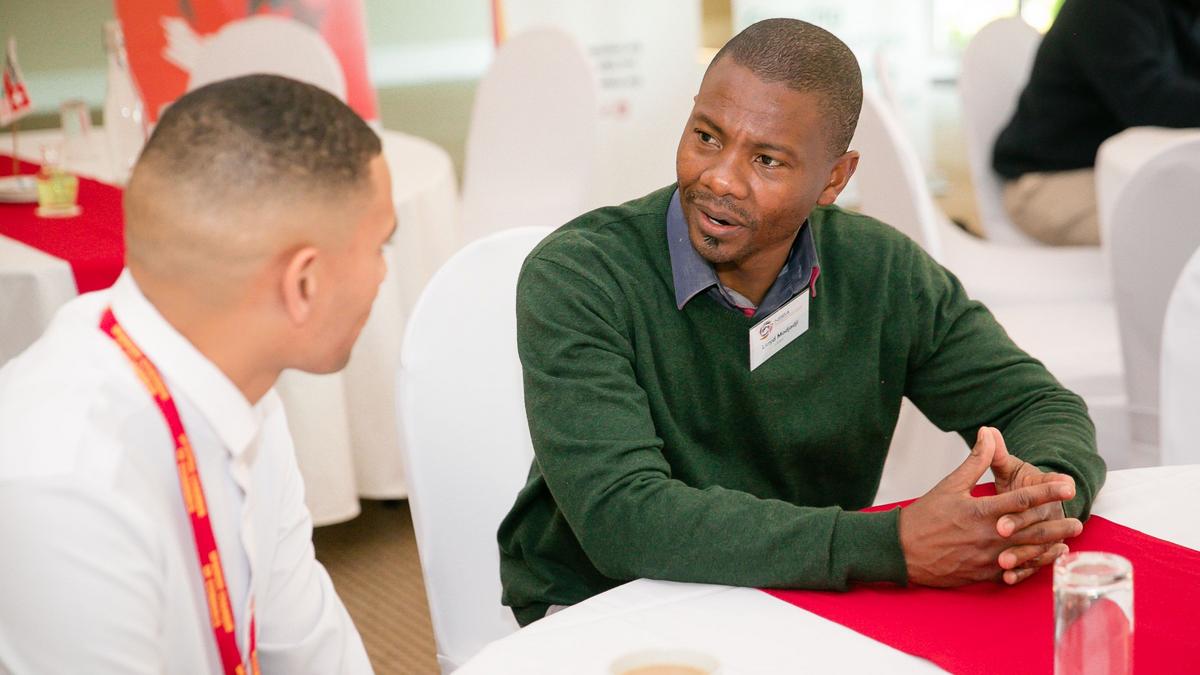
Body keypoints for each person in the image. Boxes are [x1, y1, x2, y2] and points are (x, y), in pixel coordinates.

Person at [497, 18, 1106, 626]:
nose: (720, 177)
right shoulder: (580, 274)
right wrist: (889, 545)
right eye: (706, 136)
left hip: (803, 595)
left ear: (834, 179)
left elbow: (1038, 405)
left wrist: (1041, 499)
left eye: (767, 160)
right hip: (604, 606)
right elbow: (623, 519)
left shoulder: (881, 271)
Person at [0, 75, 393, 673]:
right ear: (304, 283)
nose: (384, 274)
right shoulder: (66, 480)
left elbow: (308, 650)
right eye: (380, 247)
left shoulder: (243, 391)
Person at [993, 0, 1200, 245]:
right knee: (1185, 228)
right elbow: (1152, 101)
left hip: (1120, 171)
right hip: (1048, 182)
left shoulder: (1181, 11)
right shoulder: (1105, 7)